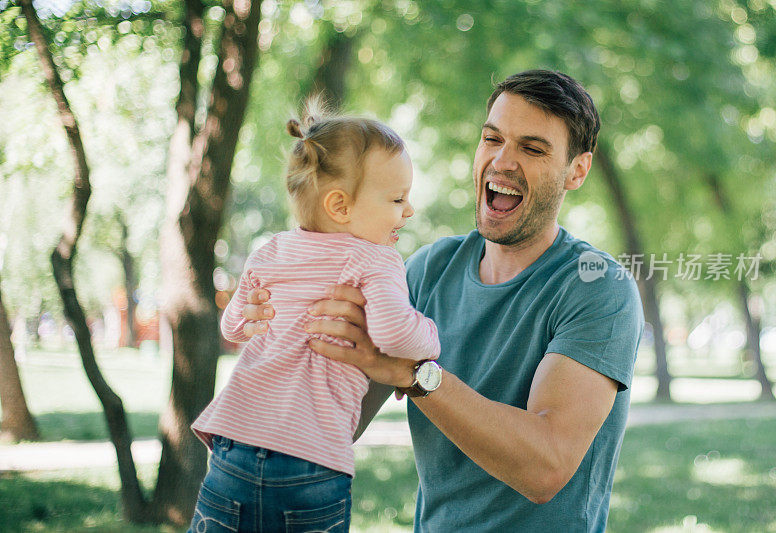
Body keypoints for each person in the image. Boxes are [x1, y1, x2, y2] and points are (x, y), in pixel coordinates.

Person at [242, 70, 644, 532]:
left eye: (532, 149)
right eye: (492, 139)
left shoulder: (597, 287)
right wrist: (281, 322)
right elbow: (330, 421)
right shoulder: (426, 270)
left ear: (577, 170)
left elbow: (545, 467)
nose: (502, 161)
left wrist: (416, 375)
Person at [188, 103, 440, 533]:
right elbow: (394, 332)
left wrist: (252, 314)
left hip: (233, 447)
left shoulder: (271, 250)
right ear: (340, 206)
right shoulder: (375, 258)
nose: (408, 210)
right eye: (397, 199)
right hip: (309, 460)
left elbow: (233, 327)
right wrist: (432, 335)